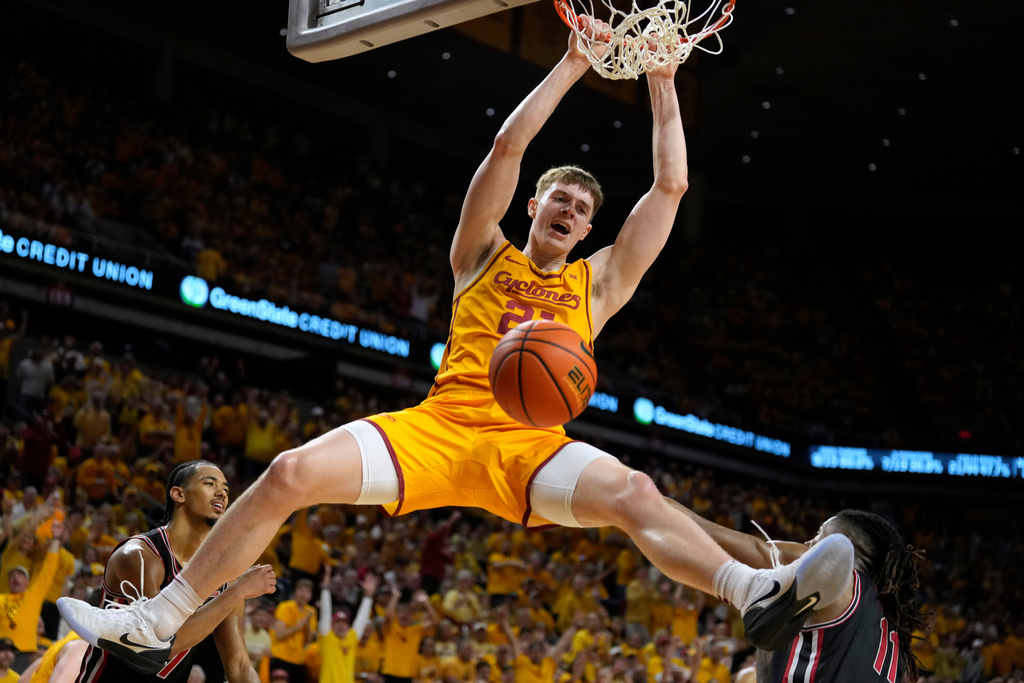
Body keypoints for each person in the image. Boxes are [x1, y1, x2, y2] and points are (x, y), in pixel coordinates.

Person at [58, 18, 854, 670]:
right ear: (535, 206)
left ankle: (752, 588)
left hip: (531, 447)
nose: (570, 210)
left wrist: (662, 78)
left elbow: (671, 188)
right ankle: (159, 617)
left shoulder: (596, 285)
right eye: (559, 197)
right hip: (440, 428)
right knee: (289, 471)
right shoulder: (481, 254)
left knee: (636, 494)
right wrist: (575, 62)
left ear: (588, 227)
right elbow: (507, 148)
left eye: (583, 207)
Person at [673, 506, 927, 682]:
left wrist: (650, 503)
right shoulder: (887, 632)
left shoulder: (837, 574)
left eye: (818, 535)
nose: (807, 544)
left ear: (844, 545)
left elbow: (754, 548)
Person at [74, 460, 277, 680]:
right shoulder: (139, 556)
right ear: (179, 494)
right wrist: (239, 591)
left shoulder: (226, 576)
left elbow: (238, 665)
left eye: (226, 489)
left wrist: (236, 589)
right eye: (210, 484)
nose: (222, 493)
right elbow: (161, 643)